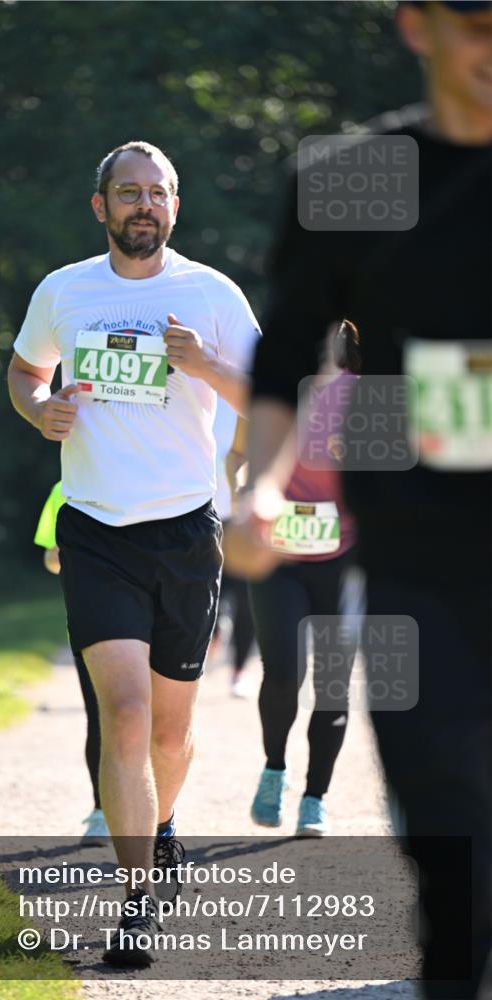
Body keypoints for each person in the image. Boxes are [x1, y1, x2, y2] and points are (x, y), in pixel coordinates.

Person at [236, 2, 492, 996]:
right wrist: (257, 485)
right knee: (447, 832)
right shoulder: (350, 180)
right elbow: (285, 348)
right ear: (415, 24)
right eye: (473, 19)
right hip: (415, 558)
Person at [8, 139, 260, 967]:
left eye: (157, 193)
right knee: (123, 715)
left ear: (174, 208)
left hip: (185, 532)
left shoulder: (211, 294)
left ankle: (162, 824)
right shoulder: (63, 290)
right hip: (94, 527)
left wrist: (204, 362)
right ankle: (136, 904)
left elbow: (270, 395)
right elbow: (23, 370)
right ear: (101, 206)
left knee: (169, 736)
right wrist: (39, 407)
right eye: (127, 192)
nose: (142, 204)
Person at [248, 322, 361, 838]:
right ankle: (275, 767)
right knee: (283, 673)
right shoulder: (275, 391)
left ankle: (316, 797)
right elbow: (238, 451)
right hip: (280, 555)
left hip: (344, 557)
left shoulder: (370, 395)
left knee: (334, 684)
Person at [33, 480, 109, 845]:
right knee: (100, 717)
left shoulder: (149, 478)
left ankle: (155, 815)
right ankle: (100, 811)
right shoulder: (65, 489)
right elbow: (50, 558)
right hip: (90, 615)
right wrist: (64, 552)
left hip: (153, 622)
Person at [210, 406, 257, 698]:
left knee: (246, 595)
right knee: (210, 587)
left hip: (242, 516)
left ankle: (238, 671)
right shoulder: (193, 380)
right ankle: (214, 633)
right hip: (200, 509)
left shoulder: (250, 392)